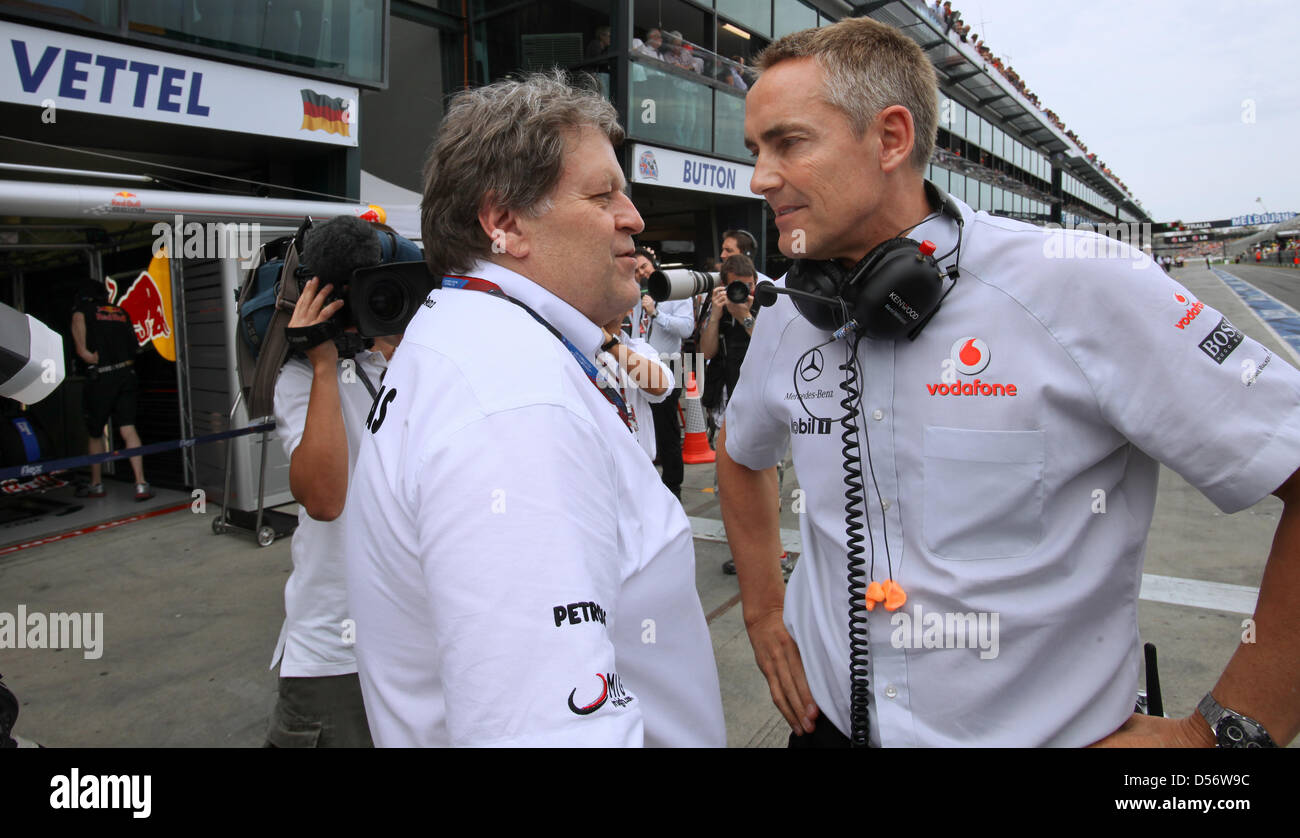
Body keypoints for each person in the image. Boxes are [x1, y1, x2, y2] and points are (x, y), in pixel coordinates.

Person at [721, 16, 1300, 748]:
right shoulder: (788, 311)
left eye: (788, 143)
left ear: (891, 139)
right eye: (756, 150)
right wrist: (764, 613)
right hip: (828, 726)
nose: (759, 177)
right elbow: (740, 456)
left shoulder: (1083, 282)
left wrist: (1221, 740)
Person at [343, 71, 726, 747]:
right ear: (505, 222)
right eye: (603, 194)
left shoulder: (478, 340)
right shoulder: (512, 400)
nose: (634, 218)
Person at [263, 258, 402, 747]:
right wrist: (322, 360)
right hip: (337, 648)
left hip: (413, 638)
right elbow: (324, 500)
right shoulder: (301, 379)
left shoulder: (398, 368)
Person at [70, 281, 152, 501]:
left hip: (101, 377)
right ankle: (141, 483)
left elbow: (82, 348)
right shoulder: (120, 311)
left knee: (96, 432)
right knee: (128, 428)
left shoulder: (82, 311)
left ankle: (96, 484)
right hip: (126, 374)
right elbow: (136, 347)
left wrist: (87, 355)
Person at [631, 248, 694, 497]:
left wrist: (656, 314)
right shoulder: (635, 294)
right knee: (642, 422)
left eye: (644, 267)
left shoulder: (675, 291)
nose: (641, 273)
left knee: (667, 428)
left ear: (654, 265)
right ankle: (648, 484)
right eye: (636, 270)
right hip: (641, 365)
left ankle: (672, 486)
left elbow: (687, 328)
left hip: (670, 362)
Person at [597, 305, 674, 460]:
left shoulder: (640, 348)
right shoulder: (577, 347)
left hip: (640, 464)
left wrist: (611, 344)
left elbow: (659, 386)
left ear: (629, 310)